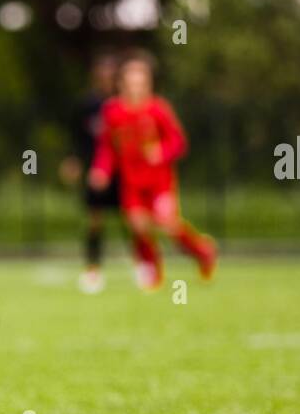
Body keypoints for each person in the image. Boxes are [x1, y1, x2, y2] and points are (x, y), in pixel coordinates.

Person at [88, 52, 216, 290]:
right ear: (122, 83)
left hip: (159, 182)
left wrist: (161, 151)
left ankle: (202, 251)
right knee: (137, 224)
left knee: (168, 224)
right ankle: (152, 272)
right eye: (131, 82)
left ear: (148, 84)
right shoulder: (113, 111)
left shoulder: (158, 109)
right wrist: (101, 169)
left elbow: (178, 142)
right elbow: (107, 147)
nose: (136, 87)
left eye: (141, 83)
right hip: (131, 182)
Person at [60, 53, 121, 294]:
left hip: (123, 172)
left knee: (133, 219)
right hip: (95, 172)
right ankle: (93, 268)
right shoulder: (87, 105)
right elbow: (75, 136)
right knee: (95, 221)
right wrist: (73, 160)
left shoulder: (122, 104)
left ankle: (145, 266)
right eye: (102, 74)